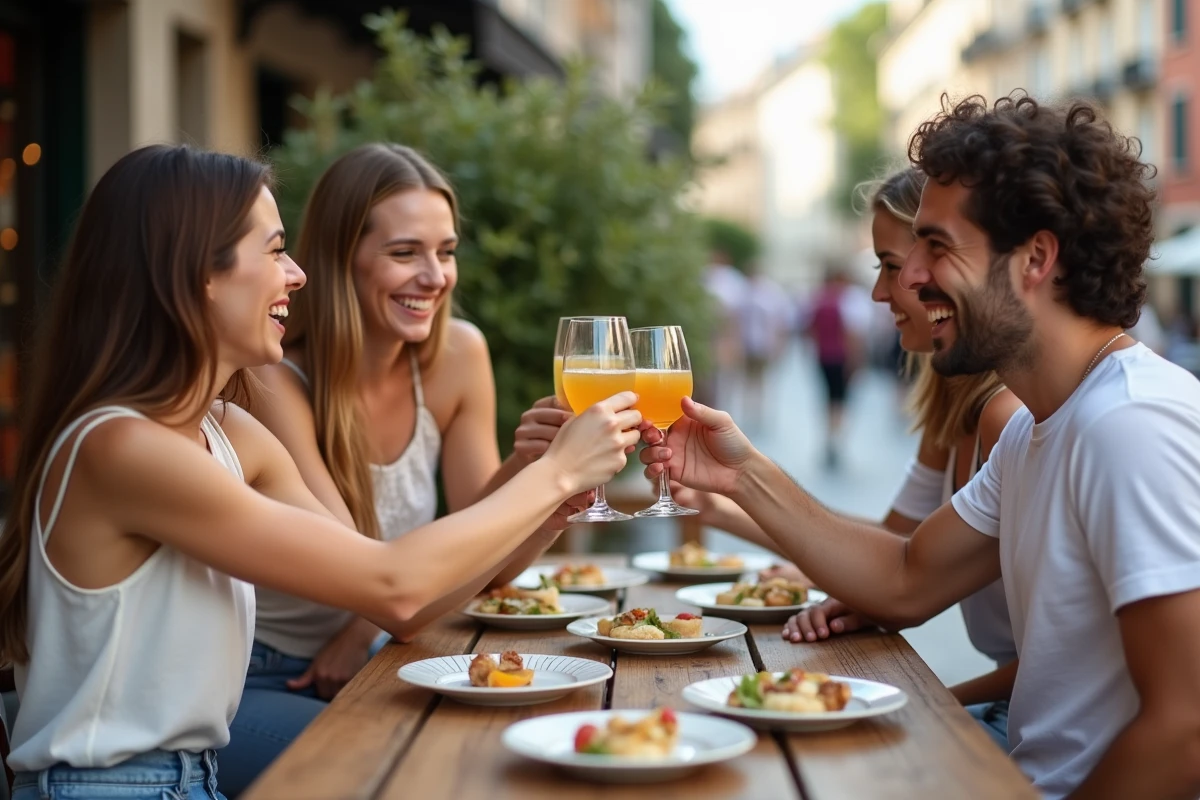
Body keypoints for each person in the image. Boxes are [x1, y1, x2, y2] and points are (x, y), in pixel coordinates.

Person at [0, 144, 639, 800]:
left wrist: (549, 500)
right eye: (275, 251)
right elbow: (393, 585)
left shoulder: (227, 432)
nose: (298, 275)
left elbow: (397, 594)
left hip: (191, 778)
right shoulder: (122, 449)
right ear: (198, 274)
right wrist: (556, 475)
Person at [641, 94, 1200, 800]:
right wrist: (740, 473)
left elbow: (1186, 729)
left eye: (937, 247)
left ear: (1036, 256)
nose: (907, 278)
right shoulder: (1041, 427)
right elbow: (905, 577)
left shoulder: (1129, 423)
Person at [220, 143, 585, 793]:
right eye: (404, 252)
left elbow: (493, 564)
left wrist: (541, 485)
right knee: (415, 771)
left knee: (531, 744)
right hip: (264, 674)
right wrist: (541, 479)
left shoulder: (458, 356)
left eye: (445, 252)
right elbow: (371, 582)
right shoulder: (274, 381)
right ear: (340, 260)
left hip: (387, 655)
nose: (435, 276)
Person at [677, 167, 1023, 750]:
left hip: (1018, 727)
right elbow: (898, 552)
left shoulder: (1008, 416)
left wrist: (926, 701)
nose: (880, 293)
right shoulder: (952, 399)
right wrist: (731, 510)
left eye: (890, 266)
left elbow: (906, 577)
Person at [804, 267, 871, 468]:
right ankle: (835, 439)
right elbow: (853, 335)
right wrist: (857, 360)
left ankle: (828, 437)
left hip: (823, 357)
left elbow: (809, 330)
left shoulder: (818, 301)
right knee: (840, 401)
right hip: (841, 357)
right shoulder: (846, 302)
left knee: (828, 398)